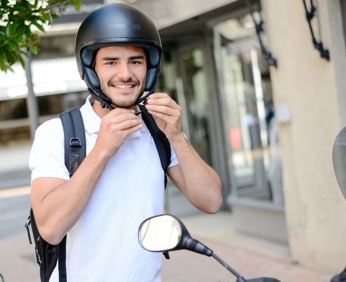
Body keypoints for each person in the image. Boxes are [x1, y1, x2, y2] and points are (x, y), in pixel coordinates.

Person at [29, 3, 222, 281]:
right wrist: (102, 151)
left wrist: (177, 135)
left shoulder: (159, 131)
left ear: (149, 68)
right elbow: (50, 227)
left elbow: (212, 201)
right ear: (91, 68)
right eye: (111, 62)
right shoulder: (56, 133)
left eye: (135, 61)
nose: (125, 74)